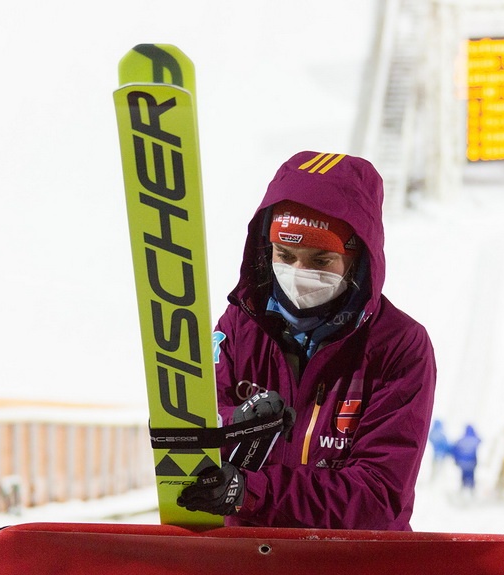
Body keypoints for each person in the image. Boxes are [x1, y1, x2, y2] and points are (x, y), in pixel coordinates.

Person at [176, 151, 437, 530]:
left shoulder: (399, 346)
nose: (298, 274)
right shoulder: (240, 326)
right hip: (250, 561)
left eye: (320, 261)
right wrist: (237, 427)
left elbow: (376, 495)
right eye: (285, 255)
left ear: (358, 258)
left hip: (351, 569)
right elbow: (198, 427)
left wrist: (251, 492)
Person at [451, 424, 481, 492]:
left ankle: (463, 491)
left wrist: (456, 460)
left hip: (462, 464)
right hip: (472, 463)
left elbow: (455, 450)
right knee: (471, 478)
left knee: (463, 477)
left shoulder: (460, 441)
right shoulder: (476, 440)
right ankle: (471, 492)